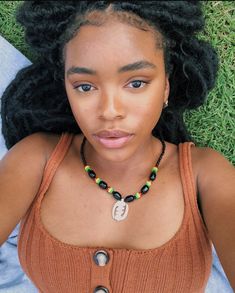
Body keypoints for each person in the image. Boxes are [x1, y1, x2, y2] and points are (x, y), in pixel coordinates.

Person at [0, 1, 234, 292]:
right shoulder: (36, 159)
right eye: (85, 86)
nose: (109, 111)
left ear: (166, 88)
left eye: (136, 83)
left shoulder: (205, 175)